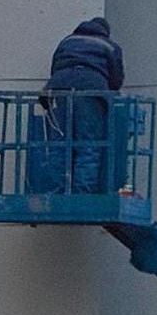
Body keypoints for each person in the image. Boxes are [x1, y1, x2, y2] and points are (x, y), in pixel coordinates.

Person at [39, 15, 124, 195]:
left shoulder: (67, 41)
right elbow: (116, 79)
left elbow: (55, 67)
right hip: (91, 87)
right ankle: (81, 192)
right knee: (89, 144)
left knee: (60, 142)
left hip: (60, 86)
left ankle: (57, 190)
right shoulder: (109, 46)